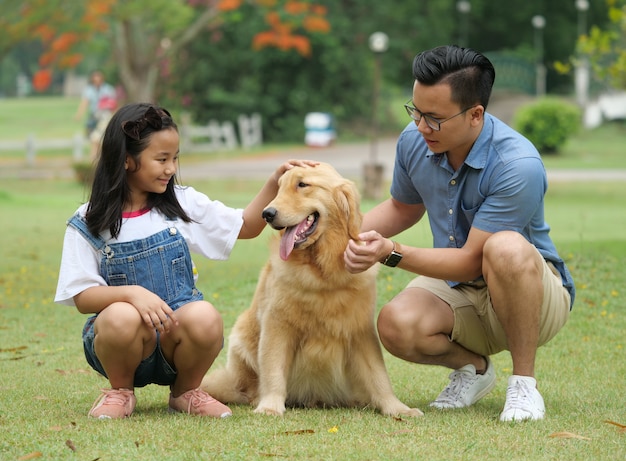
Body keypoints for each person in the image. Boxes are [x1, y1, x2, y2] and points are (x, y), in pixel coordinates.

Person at [344, 45, 575, 422]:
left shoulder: (518, 164)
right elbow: (403, 207)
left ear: (475, 114)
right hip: (459, 289)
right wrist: (338, 236)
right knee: (395, 324)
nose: (421, 127)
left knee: (504, 249)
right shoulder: (413, 140)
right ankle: (474, 369)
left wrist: (390, 251)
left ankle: (524, 386)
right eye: (415, 112)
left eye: (433, 118)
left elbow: (471, 261)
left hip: (531, 292)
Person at [55, 102, 317, 419]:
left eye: (175, 158)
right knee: (120, 316)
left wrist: (274, 182)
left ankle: (186, 391)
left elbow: (245, 226)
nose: (171, 168)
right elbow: (82, 295)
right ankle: (120, 391)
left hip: (176, 342)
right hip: (120, 344)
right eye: (161, 159)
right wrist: (132, 294)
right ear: (126, 159)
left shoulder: (180, 204)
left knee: (206, 316)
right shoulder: (89, 221)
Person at [74, 70, 118, 158]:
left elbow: (113, 104)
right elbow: (85, 103)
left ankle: (97, 159)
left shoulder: (108, 89)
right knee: (93, 140)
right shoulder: (89, 90)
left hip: (105, 116)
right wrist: (79, 114)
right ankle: (94, 159)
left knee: (98, 139)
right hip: (94, 116)